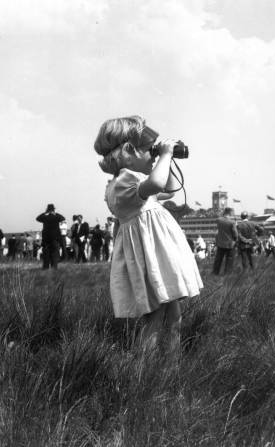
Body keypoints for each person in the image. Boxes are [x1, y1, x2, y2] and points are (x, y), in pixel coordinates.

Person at [94, 115, 203, 354]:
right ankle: (145, 374)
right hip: (151, 260)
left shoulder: (133, 183)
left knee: (174, 318)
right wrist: (164, 155)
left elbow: (170, 190)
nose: (152, 156)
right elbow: (155, 184)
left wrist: (168, 159)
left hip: (158, 258)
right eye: (148, 151)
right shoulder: (124, 183)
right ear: (129, 150)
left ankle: (170, 371)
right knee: (154, 320)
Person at [36, 204, 65, 269]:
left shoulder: (44, 217)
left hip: (46, 238)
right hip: (55, 238)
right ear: (53, 209)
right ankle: (54, 267)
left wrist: (45, 213)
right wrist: (55, 213)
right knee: (54, 254)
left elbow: (37, 218)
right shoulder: (56, 216)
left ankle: (45, 267)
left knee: (46, 254)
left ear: (47, 209)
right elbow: (63, 218)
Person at [213, 207, 238, 275]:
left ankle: (215, 272)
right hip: (230, 244)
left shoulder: (218, 220)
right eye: (232, 212)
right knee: (229, 260)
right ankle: (227, 274)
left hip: (220, 243)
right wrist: (235, 239)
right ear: (230, 212)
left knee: (218, 259)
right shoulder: (232, 222)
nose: (233, 214)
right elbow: (235, 234)